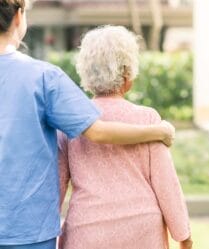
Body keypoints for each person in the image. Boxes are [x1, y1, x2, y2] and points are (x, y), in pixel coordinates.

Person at [0, 1, 175, 248]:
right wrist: (157, 131)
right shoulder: (43, 78)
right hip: (28, 229)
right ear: (18, 17)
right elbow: (98, 131)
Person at [58, 25, 192, 249]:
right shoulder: (148, 119)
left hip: (88, 231)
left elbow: (57, 186)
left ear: (86, 72)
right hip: (142, 231)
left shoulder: (71, 123)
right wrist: (183, 235)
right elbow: (166, 183)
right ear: (127, 73)